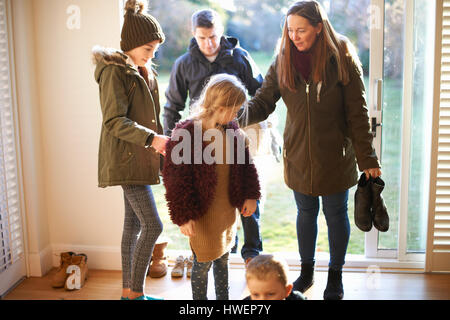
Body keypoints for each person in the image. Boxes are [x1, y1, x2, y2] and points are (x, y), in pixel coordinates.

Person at [238, 0, 381, 300]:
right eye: (290, 30)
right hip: (298, 155)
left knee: (335, 215)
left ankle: (336, 276)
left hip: (335, 157)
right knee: (305, 214)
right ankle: (306, 273)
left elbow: (358, 112)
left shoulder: (341, 58)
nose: (294, 36)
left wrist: (367, 159)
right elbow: (263, 103)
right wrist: (232, 118)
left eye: (301, 30)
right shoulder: (282, 60)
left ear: (319, 27)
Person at [162, 8, 269, 265]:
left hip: (236, 133)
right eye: (202, 38)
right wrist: (171, 143)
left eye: (213, 36)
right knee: (212, 192)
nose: (209, 43)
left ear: (221, 33)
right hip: (200, 140)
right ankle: (220, 250)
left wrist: (253, 126)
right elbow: (172, 106)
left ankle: (251, 251)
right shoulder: (183, 64)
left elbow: (261, 92)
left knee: (242, 185)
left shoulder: (240, 57)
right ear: (194, 35)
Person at [92, 0, 169, 300]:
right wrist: (152, 140)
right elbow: (113, 121)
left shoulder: (142, 71)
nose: (152, 55)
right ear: (132, 44)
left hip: (139, 156)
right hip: (126, 158)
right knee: (153, 224)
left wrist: (159, 144)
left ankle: (128, 292)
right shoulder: (114, 73)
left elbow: (153, 117)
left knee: (133, 224)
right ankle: (134, 295)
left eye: (154, 49)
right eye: (148, 48)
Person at [162, 74, 261, 300]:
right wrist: (183, 216)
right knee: (203, 264)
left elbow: (246, 166)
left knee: (224, 259)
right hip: (202, 216)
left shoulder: (232, 131)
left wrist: (250, 195)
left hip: (226, 212)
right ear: (220, 107)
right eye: (234, 110)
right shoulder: (187, 133)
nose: (236, 115)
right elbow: (175, 180)